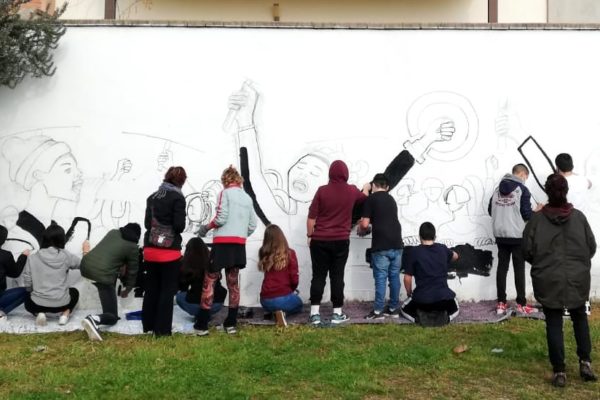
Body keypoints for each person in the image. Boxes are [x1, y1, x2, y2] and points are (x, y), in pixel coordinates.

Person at [523, 173, 597, 387]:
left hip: (548, 277)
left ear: (547, 191)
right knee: (580, 318)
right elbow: (591, 247)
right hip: (577, 277)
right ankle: (585, 362)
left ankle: (560, 372)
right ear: (566, 191)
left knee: (554, 322)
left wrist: (542, 264)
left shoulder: (536, 220)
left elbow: (526, 250)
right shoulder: (579, 217)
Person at [195, 166, 257, 335]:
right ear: (239, 180)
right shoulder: (247, 198)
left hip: (222, 244)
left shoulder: (225, 193)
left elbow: (221, 217)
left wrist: (206, 228)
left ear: (225, 180)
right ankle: (231, 324)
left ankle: (201, 325)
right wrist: (241, 234)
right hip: (238, 245)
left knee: (210, 281)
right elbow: (253, 224)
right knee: (233, 284)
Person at [307, 160, 369, 325]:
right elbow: (364, 199)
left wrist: (309, 235)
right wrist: (366, 188)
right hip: (340, 240)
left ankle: (314, 313)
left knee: (318, 275)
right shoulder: (351, 191)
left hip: (319, 240)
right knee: (337, 276)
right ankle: (337, 313)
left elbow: (311, 218)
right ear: (346, 174)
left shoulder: (322, 191)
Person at [488, 163, 540, 315]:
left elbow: (490, 210)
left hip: (500, 235)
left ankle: (501, 304)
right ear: (523, 174)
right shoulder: (522, 190)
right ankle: (521, 304)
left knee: (502, 268)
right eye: (526, 177)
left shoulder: (497, 190)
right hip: (517, 236)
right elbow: (527, 215)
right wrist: (536, 211)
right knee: (519, 270)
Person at [141, 166, 187, 337]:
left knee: (151, 288)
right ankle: (162, 330)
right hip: (169, 253)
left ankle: (148, 326)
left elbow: (147, 225)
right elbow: (179, 226)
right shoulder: (178, 198)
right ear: (182, 181)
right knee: (167, 290)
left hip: (150, 250)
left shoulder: (152, 197)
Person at [79, 223, 141, 341]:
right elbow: (132, 272)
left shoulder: (112, 232)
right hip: (102, 275)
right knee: (113, 317)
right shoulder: (132, 246)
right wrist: (127, 289)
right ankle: (94, 319)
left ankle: (104, 314)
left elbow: (109, 254)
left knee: (108, 284)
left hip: (86, 266)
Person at [22, 223, 89, 326]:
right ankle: (65, 315)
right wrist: (85, 251)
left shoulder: (33, 257)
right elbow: (84, 266)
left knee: (27, 294)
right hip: (61, 304)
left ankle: (41, 313)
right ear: (61, 239)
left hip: (36, 304)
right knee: (74, 292)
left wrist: (34, 292)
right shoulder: (66, 255)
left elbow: (27, 281)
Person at [357, 173, 404, 319]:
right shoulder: (391, 199)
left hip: (381, 245)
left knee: (381, 278)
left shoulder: (371, 199)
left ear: (374, 186)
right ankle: (393, 308)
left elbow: (365, 224)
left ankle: (378, 311)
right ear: (387, 187)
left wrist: (361, 228)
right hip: (397, 243)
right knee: (394, 277)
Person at [400, 222, 459, 325]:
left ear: (419, 237)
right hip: (443, 300)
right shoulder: (442, 249)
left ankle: (419, 319)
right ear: (435, 236)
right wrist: (446, 257)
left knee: (403, 309)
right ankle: (446, 319)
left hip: (423, 301)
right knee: (455, 308)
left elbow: (407, 278)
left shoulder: (414, 252)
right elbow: (456, 256)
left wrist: (410, 293)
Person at [258, 224, 302, 327]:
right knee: (299, 305)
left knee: (278, 302)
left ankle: (274, 312)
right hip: (282, 298)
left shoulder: (263, 253)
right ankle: (282, 313)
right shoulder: (290, 253)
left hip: (265, 300)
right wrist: (292, 290)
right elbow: (294, 279)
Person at [176, 237, 227, 317]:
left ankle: (200, 315)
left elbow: (182, 287)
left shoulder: (187, 264)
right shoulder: (211, 262)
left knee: (180, 296)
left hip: (197, 304)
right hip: (216, 303)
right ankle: (205, 316)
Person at [0, 225, 30, 320]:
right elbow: (14, 273)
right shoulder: (5, 255)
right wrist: (23, 256)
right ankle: (1, 312)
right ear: (4, 240)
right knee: (28, 290)